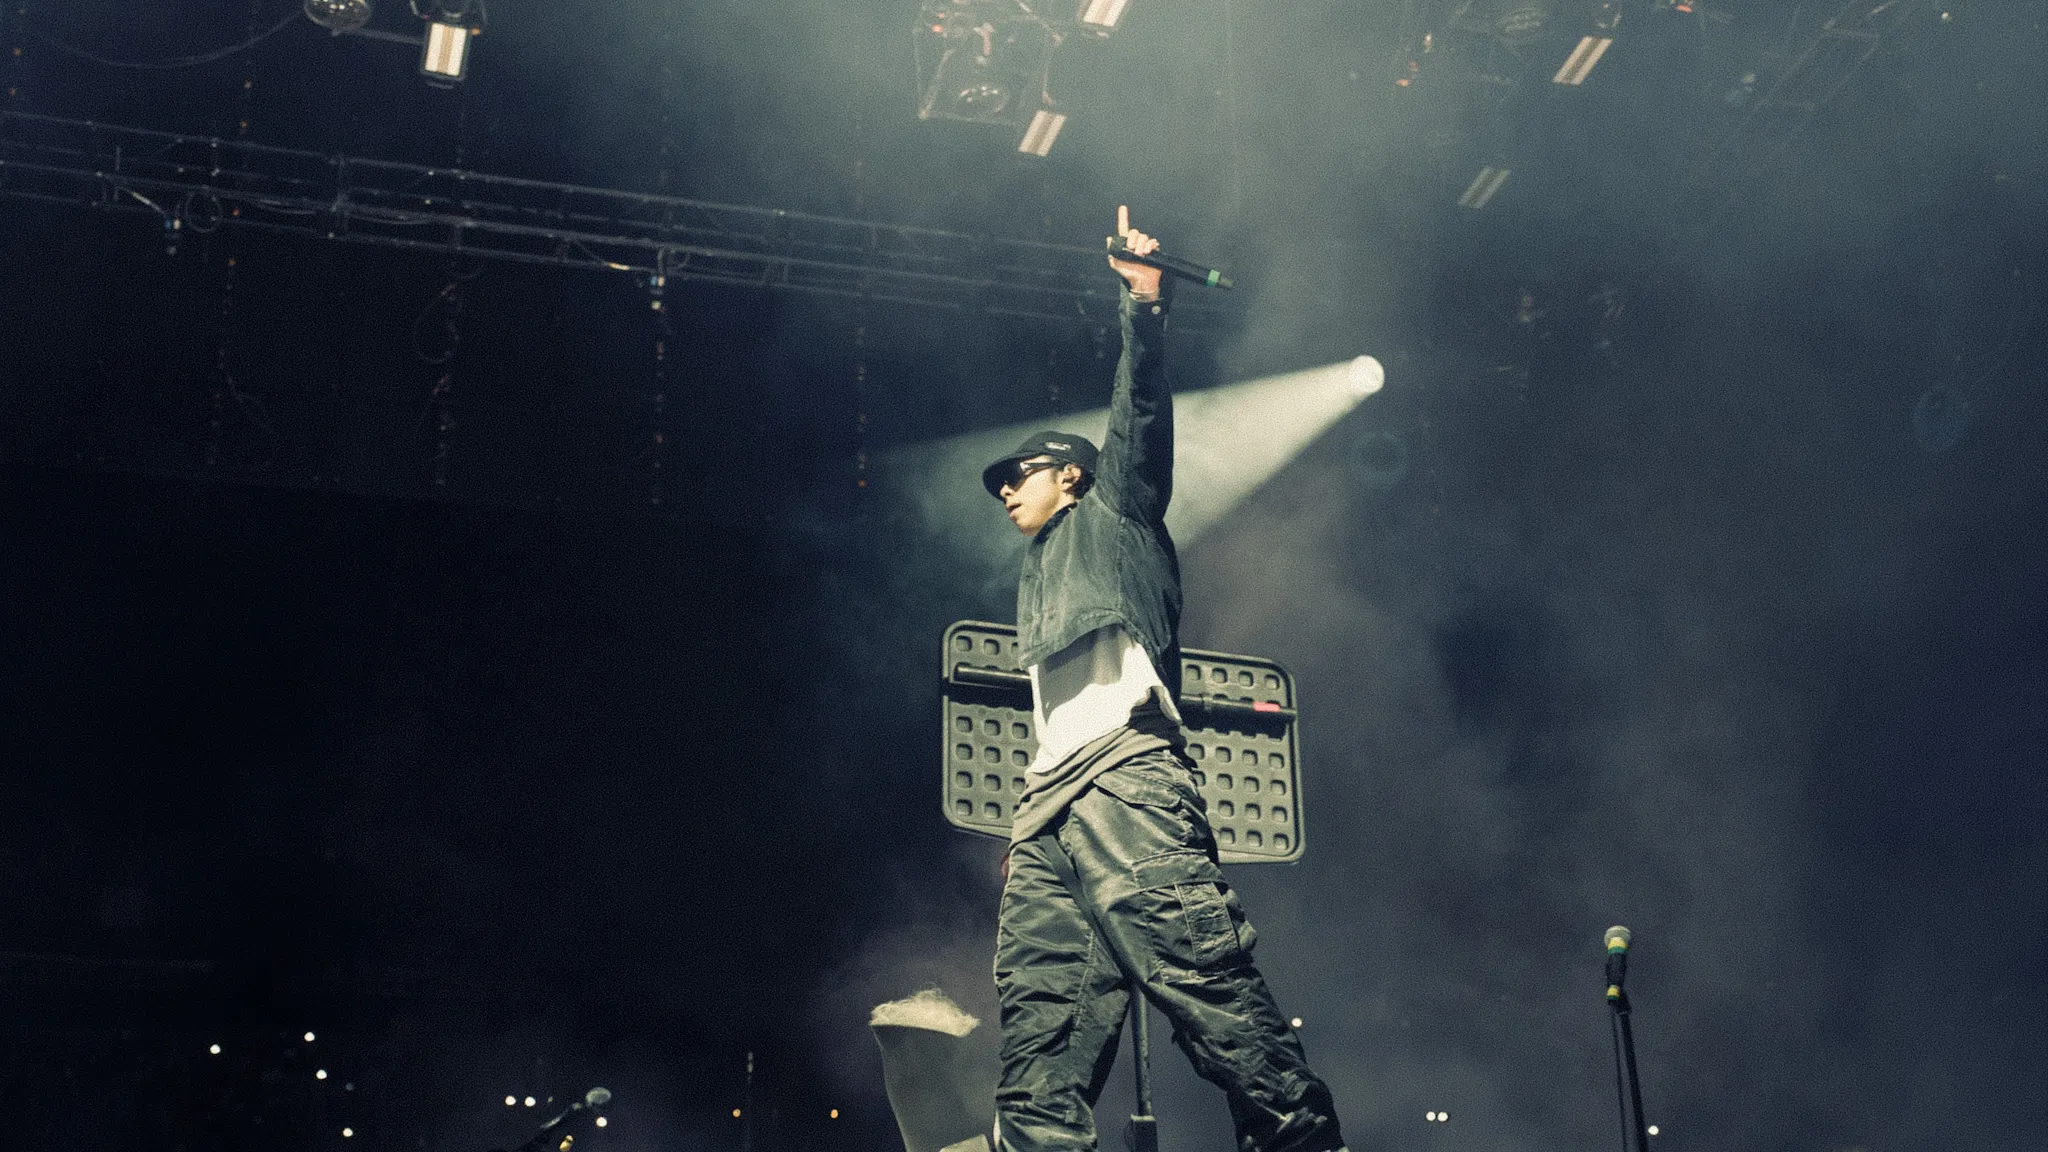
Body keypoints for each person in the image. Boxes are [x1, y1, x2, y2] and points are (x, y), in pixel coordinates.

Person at [984, 207, 1346, 1152]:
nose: (1006, 490)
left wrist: (1143, 303)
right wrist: (1031, 822)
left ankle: (1301, 1139)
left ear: (1071, 475)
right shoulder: (1041, 567)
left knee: (1201, 983)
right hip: (1048, 810)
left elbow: (1140, 416)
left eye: (1020, 474)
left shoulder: (1117, 510)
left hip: (1127, 778)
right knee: (1041, 1032)